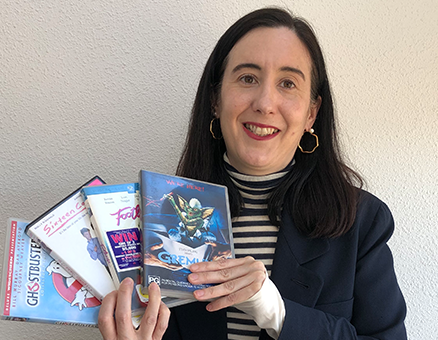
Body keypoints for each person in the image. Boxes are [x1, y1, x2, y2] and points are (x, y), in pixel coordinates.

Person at [98, 7, 407, 340]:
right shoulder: (152, 217)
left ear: (311, 114)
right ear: (215, 99)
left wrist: (276, 311)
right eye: (247, 78)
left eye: (288, 83)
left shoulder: (362, 221)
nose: (265, 102)